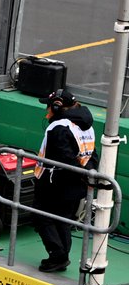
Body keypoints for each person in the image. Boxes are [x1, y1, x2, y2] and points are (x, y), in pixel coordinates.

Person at [34, 88, 96, 272]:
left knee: (42, 216)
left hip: (55, 182)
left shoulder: (59, 127)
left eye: (49, 106)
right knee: (63, 219)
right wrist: (87, 174)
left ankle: (58, 255)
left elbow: (64, 157)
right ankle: (62, 255)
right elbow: (92, 155)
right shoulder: (87, 126)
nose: (47, 110)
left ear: (57, 106)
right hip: (76, 183)